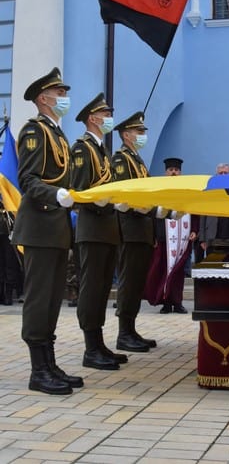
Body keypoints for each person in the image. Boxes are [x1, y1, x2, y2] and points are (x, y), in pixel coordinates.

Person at [12, 67, 83, 395]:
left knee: (53, 299)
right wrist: (56, 195)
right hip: (40, 227)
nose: (65, 98)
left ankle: (50, 363)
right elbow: (28, 180)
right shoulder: (34, 131)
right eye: (61, 93)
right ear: (44, 98)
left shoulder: (57, 132)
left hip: (55, 229)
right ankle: (38, 371)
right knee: (40, 300)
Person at [71, 93, 125, 371]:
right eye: (105, 114)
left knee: (104, 288)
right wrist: (101, 202)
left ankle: (100, 343)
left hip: (107, 229)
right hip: (92, 228)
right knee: (91, 289)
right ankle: (90, 348)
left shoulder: (102, 148)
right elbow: (80, 190)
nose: (109, 118)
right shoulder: (82, 148)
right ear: (93, 118)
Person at [111, 111, 157, 352]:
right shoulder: (121, 159)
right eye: (139, 132)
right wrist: (151, 210)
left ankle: (131, 329)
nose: (142, 136)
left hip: (142, 230)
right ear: (126, 135)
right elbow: (125, 193)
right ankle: (123, 333)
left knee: (137, 282)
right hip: (130, 230)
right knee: (129, 282)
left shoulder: (137, 159)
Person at [144, 158, 199, 314]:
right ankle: (165, 302)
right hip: (163, 237)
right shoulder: (159, 190)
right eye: (171, 170)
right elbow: (153, 214)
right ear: (166, 172)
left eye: (176, 169)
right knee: (162, 270)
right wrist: (153, 235)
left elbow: (194, 211)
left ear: (180, 172)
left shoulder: (186, 190)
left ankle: (177, 302)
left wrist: (195, 229)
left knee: (179, 271)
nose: (174, 172)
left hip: (183, 237)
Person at [198, 163, 229, 255]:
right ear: (216, 175)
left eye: (226, 173)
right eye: (220, 173)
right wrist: (202, 239)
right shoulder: (209, 192)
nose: (223, 175)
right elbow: (203, 216)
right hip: (212, 238)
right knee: (213, 267)